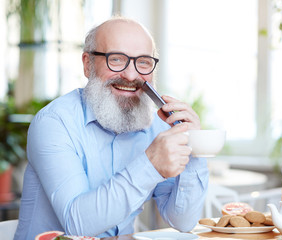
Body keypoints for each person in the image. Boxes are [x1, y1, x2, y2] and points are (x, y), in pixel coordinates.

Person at [14, 16, 209, 239]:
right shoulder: (54, 123)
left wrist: (194, 149)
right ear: (88, 64)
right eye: (116, 59)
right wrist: (150, 163)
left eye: (143, 62)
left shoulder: (157, 126)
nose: (131, 75)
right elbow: (77, 224)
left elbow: (183, 221)